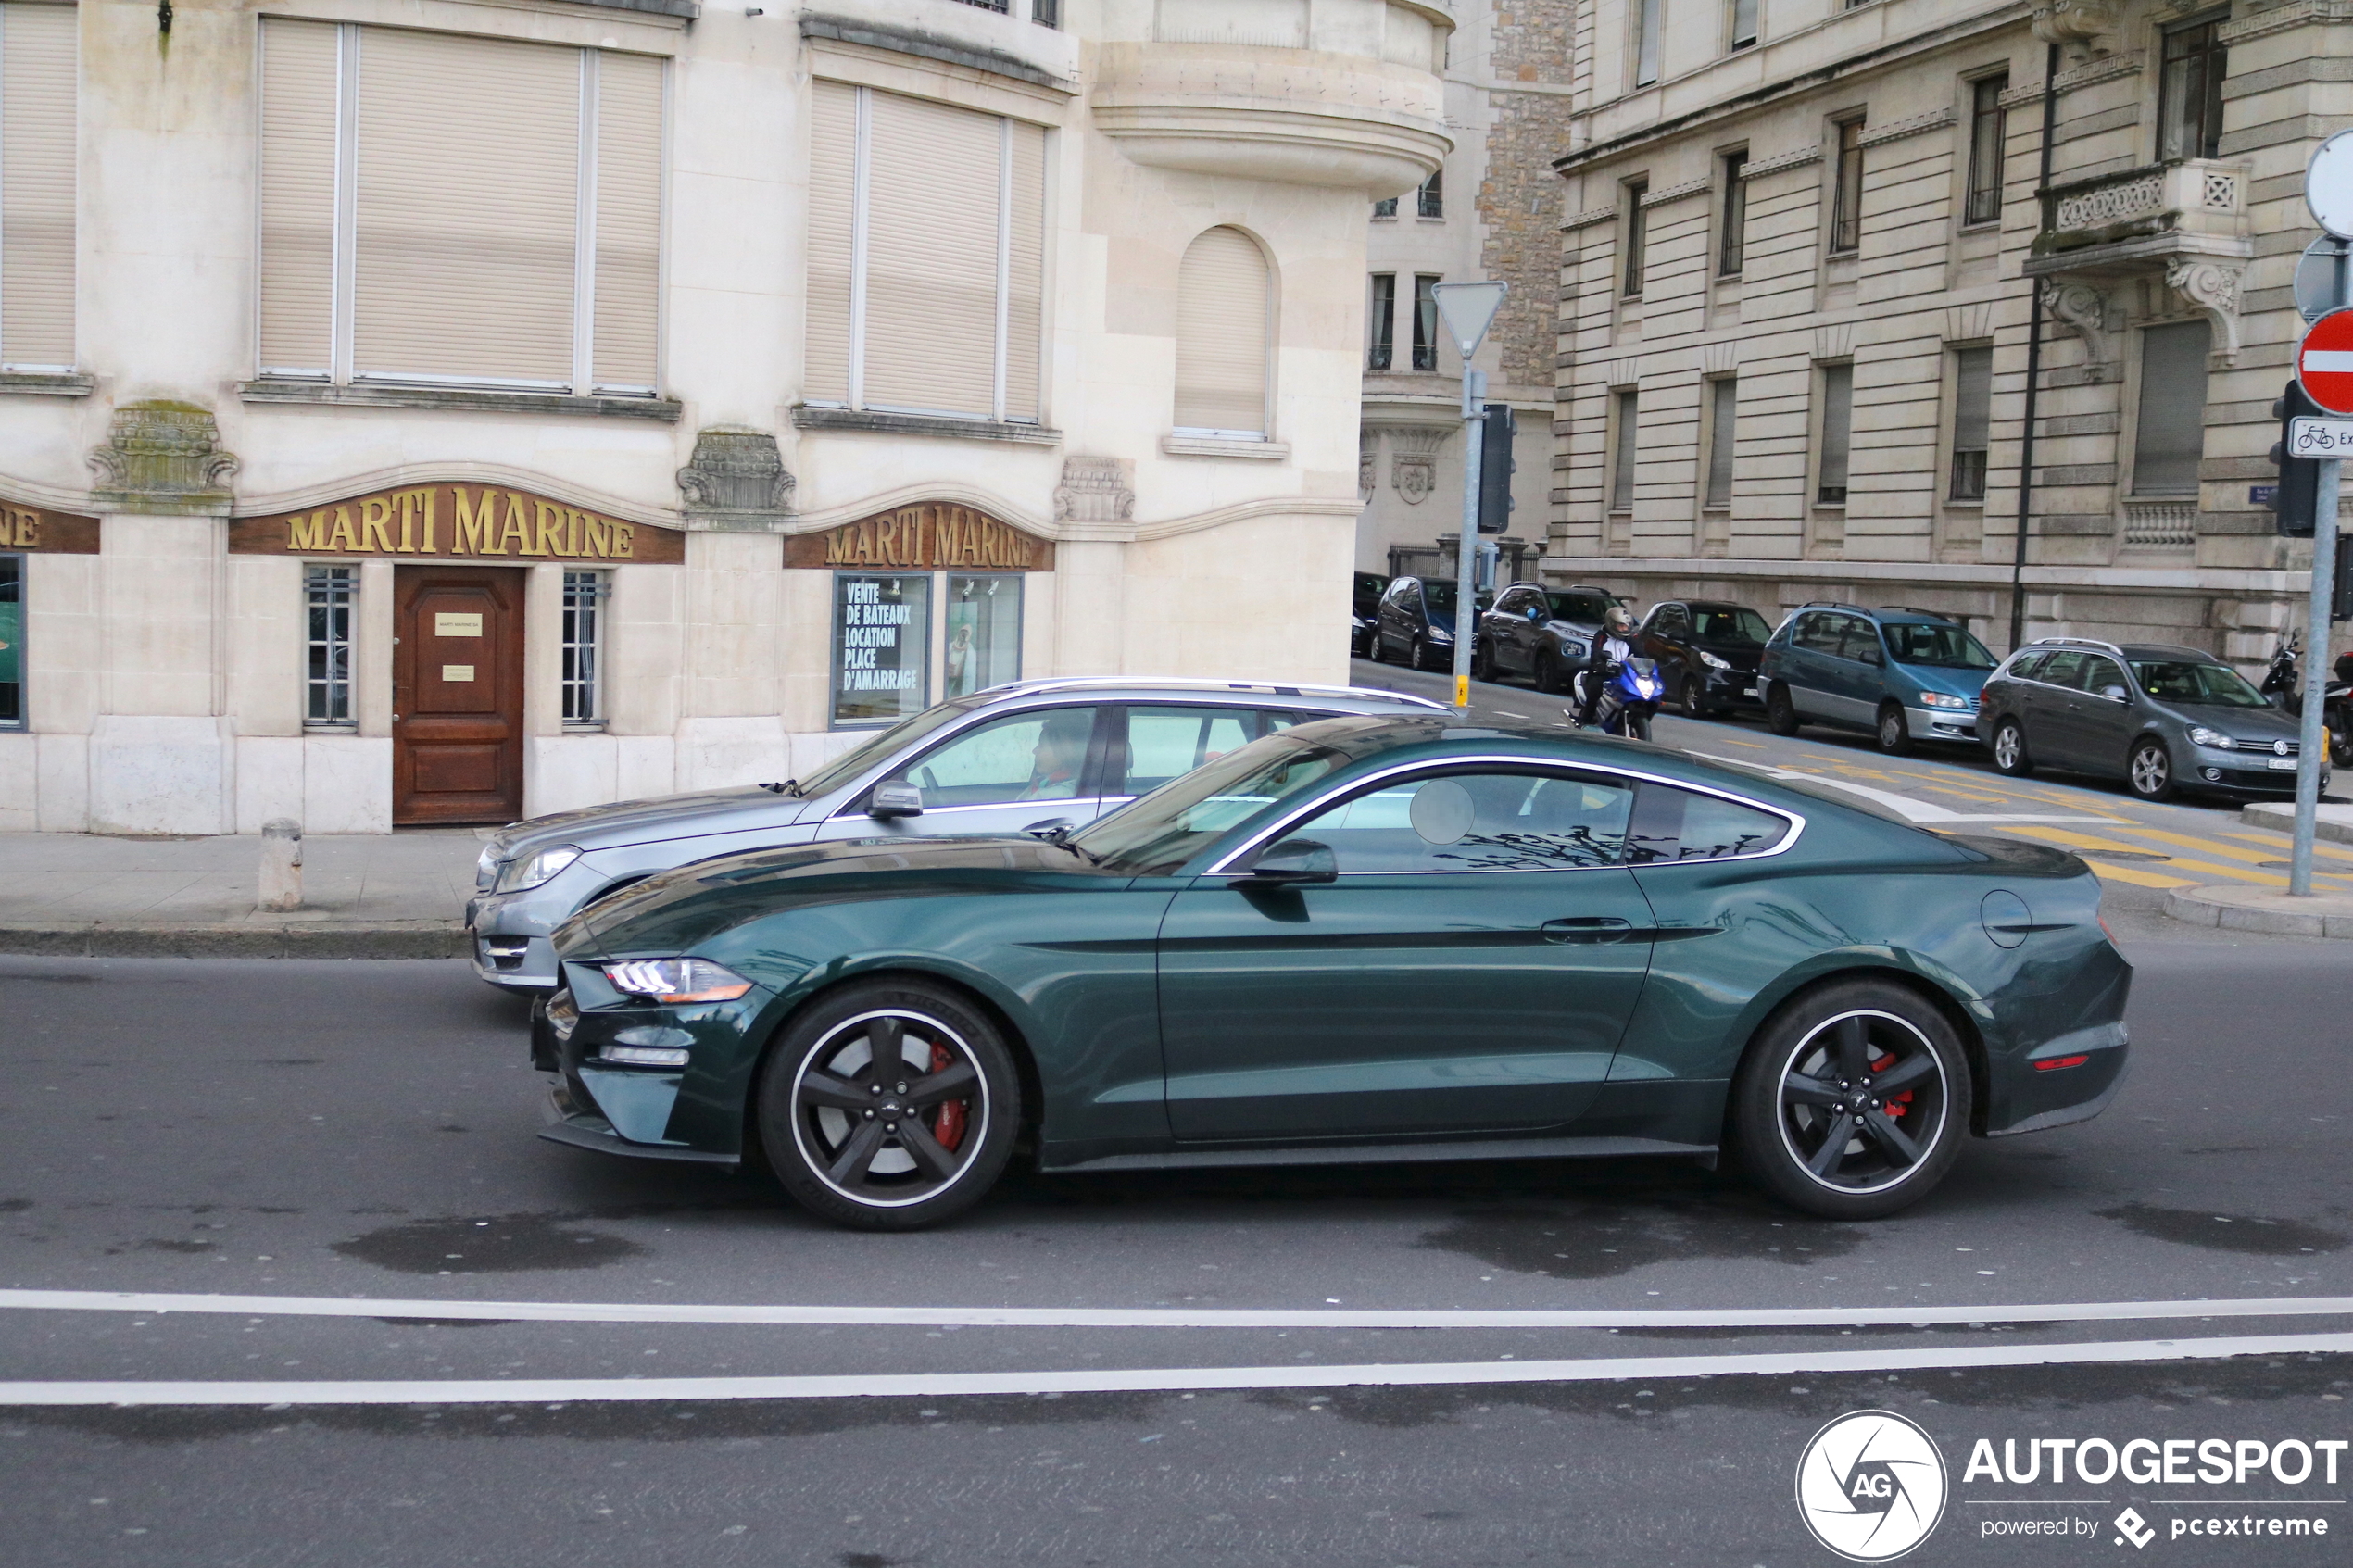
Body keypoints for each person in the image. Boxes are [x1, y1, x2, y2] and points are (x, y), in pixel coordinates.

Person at [1575, 605, 1637, 729]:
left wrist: (1647, 666)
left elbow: (1641, 655)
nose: (1625, 629)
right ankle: (1585, 721)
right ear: (1612, 624)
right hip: (1602, 674)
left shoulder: (1630, 640)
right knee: (1595, 690)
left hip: (1622, 675)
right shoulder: (1601, 636)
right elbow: (1596, 652)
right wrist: (1599, 664)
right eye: (1621, 626)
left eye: (1627, 626)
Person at [1017, 709, 1094, 800]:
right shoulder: (1045, 785)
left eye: (1041, 745)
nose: (1034, 751)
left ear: (1064, 750)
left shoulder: (1058, 795)